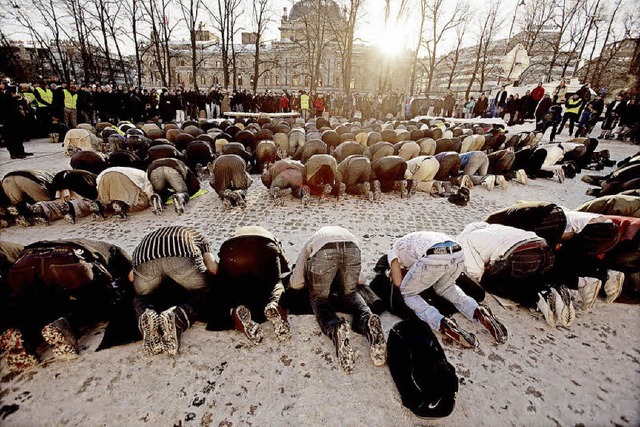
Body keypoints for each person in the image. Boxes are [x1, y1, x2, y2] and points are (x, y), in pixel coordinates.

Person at [1, 239, 132, 371]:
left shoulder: (82, 243)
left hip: (24, 264)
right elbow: (130, 276)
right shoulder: (114, 251)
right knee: (96, 302)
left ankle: (20, 334)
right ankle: (64, 325)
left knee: (37, 305)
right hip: (66, 261)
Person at [289, 226, 387, 373]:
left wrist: (294, 283)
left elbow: (297, 283)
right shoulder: (349, 236)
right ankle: (367, 320)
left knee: (319, 299)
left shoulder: (313, 240)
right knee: (351, 294)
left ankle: (335, 328)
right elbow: (361, 280)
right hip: (352, 249)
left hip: (323, 253)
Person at [388, 231, 508, 348]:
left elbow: (398, 282)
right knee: (446, 287)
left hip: (434, 255)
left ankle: (441, 322)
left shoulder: (393, 249)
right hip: (457, 251)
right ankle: (478, 310)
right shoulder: (413, 238)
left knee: (408, 293)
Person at [456, 222, 572, 327]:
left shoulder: (466, 239)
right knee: (529, 275)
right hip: (543, 248)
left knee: (490, 282)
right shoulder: (494, 227)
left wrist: (484, 276)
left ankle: (537, 298)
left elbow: (475, 270)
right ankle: (553, 287)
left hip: (520, 254)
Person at [131, 226, 217, 356]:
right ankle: (178, 316)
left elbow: (131, 277)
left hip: (144, 260)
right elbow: (213, 268)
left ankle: (145, 315)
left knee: (142, 296)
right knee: (203, 292)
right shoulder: (199, 237)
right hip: (180, 256)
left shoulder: (147, 240)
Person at [207, 226, 291, 344]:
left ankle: (235, 312)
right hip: (265, 248)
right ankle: (275, 304)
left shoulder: (235, 236)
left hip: (232, 250)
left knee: (227, 287)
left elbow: (222, 269)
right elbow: (285, 267)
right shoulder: (272, 239)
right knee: (276, 283)